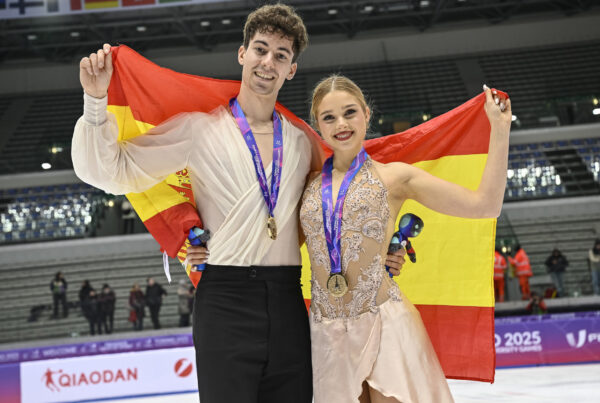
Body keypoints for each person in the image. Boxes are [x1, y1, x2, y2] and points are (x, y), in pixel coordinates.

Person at [71, 4, 404, 402]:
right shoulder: (199, 130)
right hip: (225, 302)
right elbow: (111, 170)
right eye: (260, 49)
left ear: (291, 69)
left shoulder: (302, 143)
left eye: (281, 55)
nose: (268, 62)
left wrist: (381, 249)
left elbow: (347, 205)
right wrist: (95, 100)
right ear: (242, 54)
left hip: (287, 302)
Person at [300, 75, 511, 402]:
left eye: (350, 112)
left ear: (366, 115)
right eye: (329, 117)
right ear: (318, 125)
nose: (341, 123)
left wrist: (500, 130)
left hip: (386, 325)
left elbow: (485, 205)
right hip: (326, 336)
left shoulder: (395, 176)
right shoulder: (306, 183)